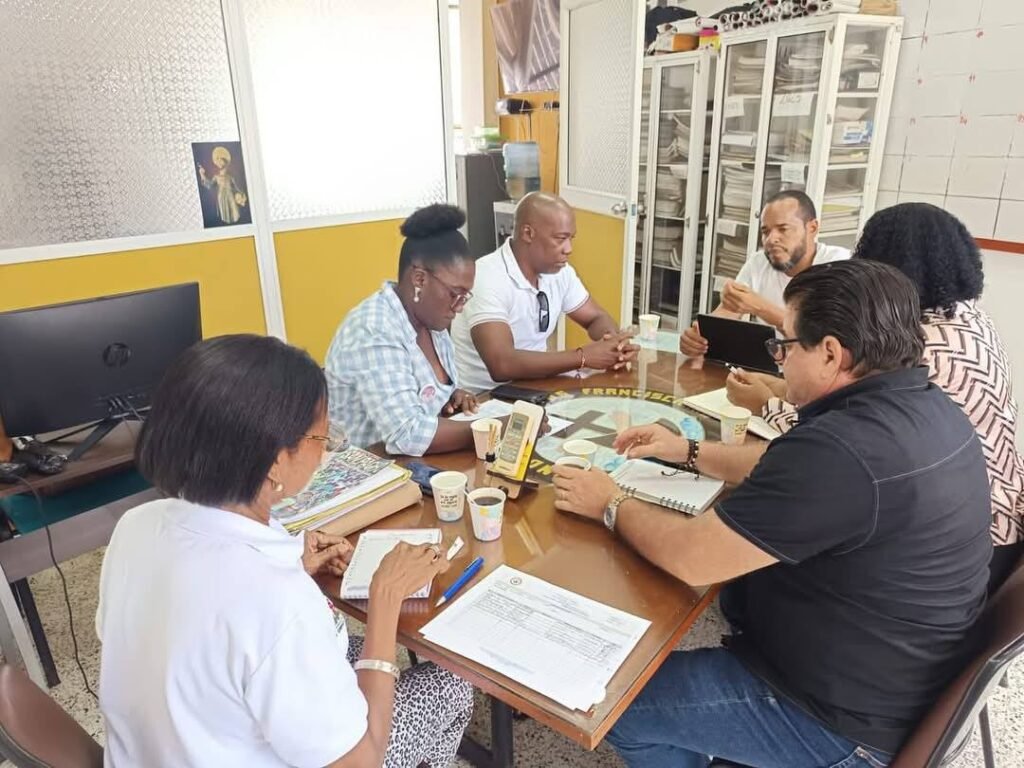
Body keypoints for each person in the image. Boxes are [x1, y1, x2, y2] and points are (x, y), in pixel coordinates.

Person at [553, 260, 992, 767]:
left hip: (838, 721)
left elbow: (692, 558)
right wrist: (686, 451)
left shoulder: (844, 450)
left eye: (784, 345)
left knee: (617, 707)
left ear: (831, 353)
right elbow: (781, 462)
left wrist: (609, 502)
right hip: (900, 682)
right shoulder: (924, 406)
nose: (778, 361)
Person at [96, 334, 473, 768]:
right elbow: (360, 762)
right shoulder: (276, 600)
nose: (326, 448)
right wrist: (384, 600)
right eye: (321, 436)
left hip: (169, 749)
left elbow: (205, 625)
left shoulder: (138, 525)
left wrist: (292, 566)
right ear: (275, 461)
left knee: (348, 649)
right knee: (451, 684)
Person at [727, 203, 1024, 592]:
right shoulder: (969, 319)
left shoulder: (918, 347)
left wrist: (765, 405)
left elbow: (846, 440)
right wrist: (779, 389)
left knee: (774, 542)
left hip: (963, 539)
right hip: (995, 513)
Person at [326, 204, 480, 456]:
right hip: (367, 470)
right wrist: (491, 429)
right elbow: (407, 434)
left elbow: (421, 399)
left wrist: (451, 397)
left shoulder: (431, 320)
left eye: (465, 296)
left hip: (412, 465)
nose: (460, 306)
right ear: (419, 279)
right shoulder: (373, 329)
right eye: (455, 294)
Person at [451, 192, 638, 393]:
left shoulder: (560, 272)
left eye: (571, 238)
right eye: (560, 238)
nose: (569, 249)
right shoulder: (486, 277)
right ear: (528, 233)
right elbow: (502, 365)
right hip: (486, 399)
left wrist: (613, 345)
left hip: (536, 388)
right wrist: (583, 357)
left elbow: (595, 318)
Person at [679, 190, 850, 356]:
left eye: (783, 229)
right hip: (773, 365)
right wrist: (700, 336)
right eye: (765, 231)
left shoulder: (840, 265)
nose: (771, 239)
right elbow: (728, 311)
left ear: (812, 228)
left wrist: (760, 307)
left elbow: (822, 338)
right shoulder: (758, 262)